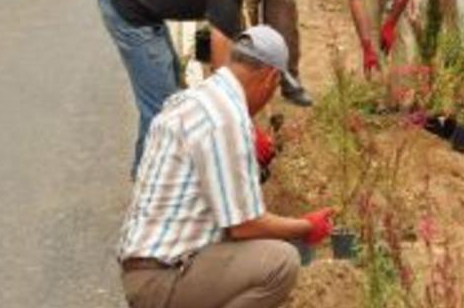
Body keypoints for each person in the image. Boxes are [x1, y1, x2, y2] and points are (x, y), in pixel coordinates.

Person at [118, 25, 334, 308]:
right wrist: (306, 227)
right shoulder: (226, 118)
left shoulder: (197, 99)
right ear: (270, 78)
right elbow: (245, 226)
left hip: (144, 268)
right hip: (162, 278)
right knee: (280, 263)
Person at [98, 0, 301, 178]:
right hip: (126, 6)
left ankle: (156, 174)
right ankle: (147, 184)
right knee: (162, 110)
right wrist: (245, 132)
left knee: (172, 87)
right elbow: (221, 78)